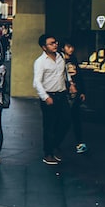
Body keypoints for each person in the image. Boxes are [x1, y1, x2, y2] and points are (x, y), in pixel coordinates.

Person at [33, 34, 71, 165]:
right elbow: (36, 82)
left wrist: (71, 84)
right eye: (51, 43)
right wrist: (45, 97)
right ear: (44, 47)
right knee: (49, 126)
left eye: (55, 42)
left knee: (66, 121)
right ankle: (48, 153)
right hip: (49, 96)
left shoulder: (60, 57)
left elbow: (64, 73)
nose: (55, 45)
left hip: (62, 94)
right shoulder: (40, 62)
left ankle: (55, 144)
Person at [62, 39, 87, 154]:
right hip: (64, 93)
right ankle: (58, 142)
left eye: (72, 47)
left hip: (75, 92)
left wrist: (82, 91)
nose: (71, 49)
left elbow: (79, 76)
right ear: (63, 48)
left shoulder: (74, 59)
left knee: (76, 117)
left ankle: (79, 142)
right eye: (68, 47)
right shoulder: (59, 60)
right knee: (64, 119)